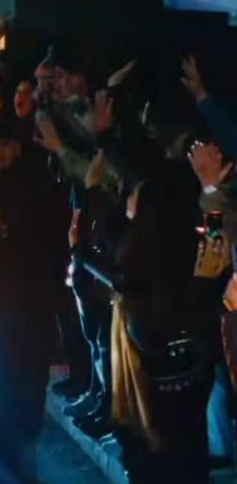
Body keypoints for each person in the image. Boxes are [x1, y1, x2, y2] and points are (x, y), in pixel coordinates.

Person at [0, 117, 68, 484]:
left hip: (30, 305)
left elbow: (49, 243)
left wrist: (5, 232)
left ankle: (19, 463)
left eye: (3, 145)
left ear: (16, 147)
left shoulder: (37, 187)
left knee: (26, 388)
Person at [112, 166, 225, 484]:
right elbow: (216, 247)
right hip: (191, 380)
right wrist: (212, 193)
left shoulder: (134, 257)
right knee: (189, 455)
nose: (129, 199)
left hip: (153, 392)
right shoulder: (193, 257)